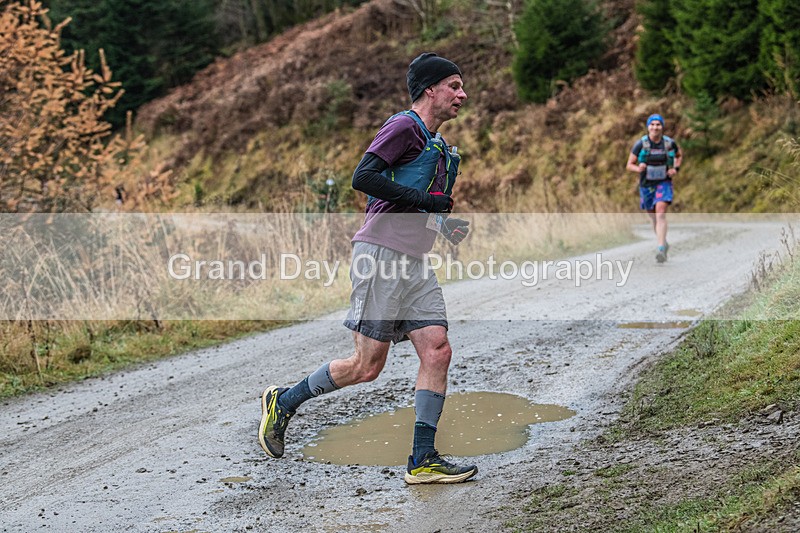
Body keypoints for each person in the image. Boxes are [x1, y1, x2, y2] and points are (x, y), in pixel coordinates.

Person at [258, 53, 476, 484]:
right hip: (380, 253)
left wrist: (441, 223)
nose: (462, 94)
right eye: (454, 85)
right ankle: (284, 400)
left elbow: (409, 197)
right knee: (366, 366)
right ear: (429, 89)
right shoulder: (404, 127)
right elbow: (364, 178)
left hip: (413, 260)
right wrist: (426, 204)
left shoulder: (435, 145)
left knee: (438, 349)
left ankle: (422, 459)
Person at [626, 113, 683, 263]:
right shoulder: (641, 144)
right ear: (648, 127)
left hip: (664, 182)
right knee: (653, 217)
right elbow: (629, 165)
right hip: (646, 184)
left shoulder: (669, 143)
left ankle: (660, 249)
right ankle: (663, 241)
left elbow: (678, 155)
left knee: (661, 213)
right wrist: (639, 168)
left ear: (662, 127)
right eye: (652, 124)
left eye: (658, 124)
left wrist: (675, 169)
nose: (655, 127)